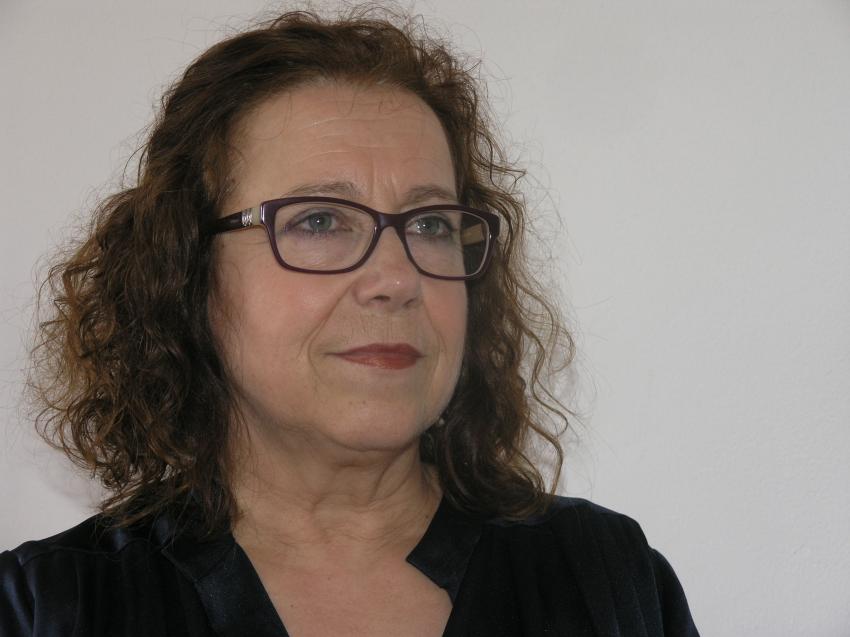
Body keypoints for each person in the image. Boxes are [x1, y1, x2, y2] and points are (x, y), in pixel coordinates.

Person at [0, 8, 699, 636]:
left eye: (431, 224)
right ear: (187, 272)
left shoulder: (608, 580)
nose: (396, 279)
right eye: (318, 221)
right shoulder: (50, 608)